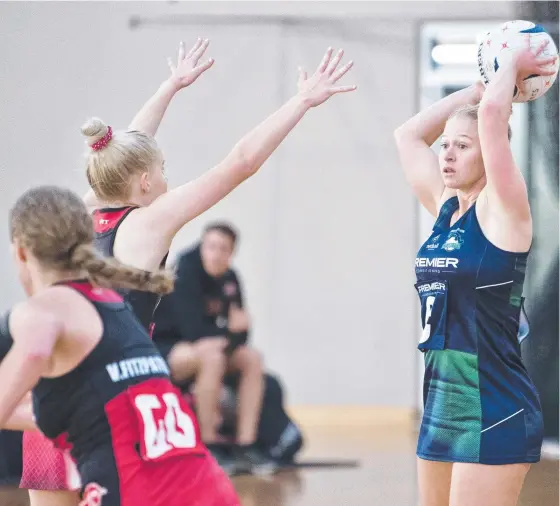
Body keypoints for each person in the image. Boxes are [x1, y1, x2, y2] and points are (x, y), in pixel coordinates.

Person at [22, 38, 357, 506]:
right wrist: (300, 102)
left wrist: (170, 87)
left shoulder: (86, 208)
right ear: (143, 182)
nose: (166, 177)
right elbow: (239, 163)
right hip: (105, 402)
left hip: (53, 391)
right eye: (162, 169)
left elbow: (122, 152)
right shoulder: (149, 221)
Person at [0, 185, 242, 506]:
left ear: (20, 251)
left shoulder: (47, 312)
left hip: (138, 492)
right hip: (209, 488)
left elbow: (33, 352)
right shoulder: (113, 307)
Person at [393, 37, 557, 506]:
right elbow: (406, 135)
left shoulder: (505, 210)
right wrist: (473, 89)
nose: (446, 154)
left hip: (496, 405)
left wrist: (511, 66)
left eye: (461, 147)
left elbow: (491, 119)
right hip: (442, 402)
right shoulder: (446, 210)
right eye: (445, 145)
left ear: (489, 153)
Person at [153, 222, 294, 475]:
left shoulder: (230, 278)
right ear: (202, 247)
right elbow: (193, 333)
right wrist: (230, 329)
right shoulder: (185, 272)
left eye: (223, 249)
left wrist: (231, 332)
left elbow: (243, 334)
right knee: (212, 357)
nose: (216, 254)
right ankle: (210, 444)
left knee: (252, 358)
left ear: (231, 253)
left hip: (208, 347)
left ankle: (246, 444)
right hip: (167, 351)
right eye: (210, 247)